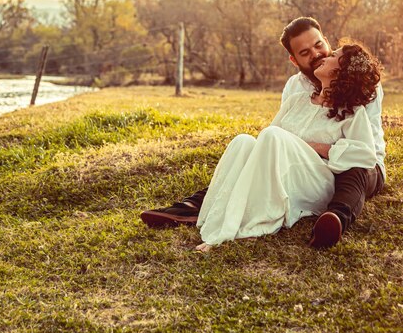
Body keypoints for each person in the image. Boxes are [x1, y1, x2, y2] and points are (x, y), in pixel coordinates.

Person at [141, 17, 386, 248]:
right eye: (305, 52)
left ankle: (336, 218)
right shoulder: (296, 91)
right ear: (294, 60)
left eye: (321, 46)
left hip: (355, 169)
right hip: (296, 167)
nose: (318, 55)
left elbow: (364, 151)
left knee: (353, 170)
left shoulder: (359, 97)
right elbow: (273, 143)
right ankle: (202, 204)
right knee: (245, 142)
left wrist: (308, 147)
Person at [195, 43, 381, 251]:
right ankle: (222, 213)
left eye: (333, 56)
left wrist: (317, 147)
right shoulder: (296, 101)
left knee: (273, 135)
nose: (325, 56)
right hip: (283, 173)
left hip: (315, 181)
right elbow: (266, 144)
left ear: (341, 70)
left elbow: (365, 154)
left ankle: (239, 227)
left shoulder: (353, 113)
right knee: (243, 142)